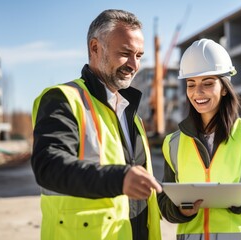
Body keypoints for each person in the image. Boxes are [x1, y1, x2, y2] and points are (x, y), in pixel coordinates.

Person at [31, 9, 162, 240]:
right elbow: (48, 166)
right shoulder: (63, 99)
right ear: (95, 47)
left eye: (139, 56)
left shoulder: (131, 114)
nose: (134, 65)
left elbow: (136, 193)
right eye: (125, 53)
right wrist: (119, 179)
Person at [157, 38, 241, 239]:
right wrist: (180, 211)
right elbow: (163, 203)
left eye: (208, 83)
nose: (197, 92)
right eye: (191, 84)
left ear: (225, 87)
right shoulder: (174, 143)